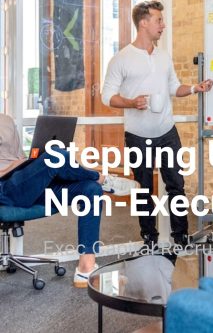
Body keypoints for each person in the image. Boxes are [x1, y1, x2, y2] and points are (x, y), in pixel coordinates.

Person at [101, 0, 213, 249]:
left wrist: (195, 88)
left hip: (166, 132)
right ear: (143, 22)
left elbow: (174, 87)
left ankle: (181, 237)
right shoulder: (121, 59)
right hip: (137, 135)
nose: (163, 25)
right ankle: (149, 239)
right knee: (143, 189)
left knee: (176, 185)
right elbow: (107, 96)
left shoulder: (163, 57)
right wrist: (131, 102)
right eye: (159, 20)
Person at [0, 113, 135, 287]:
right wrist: (14, 166)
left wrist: (30, 162)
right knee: (56, 156)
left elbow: (15, 158)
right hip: (6, 189)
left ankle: (86, 269)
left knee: (90, 190)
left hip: (24, 182)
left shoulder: (6, 119)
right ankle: (102, 179)